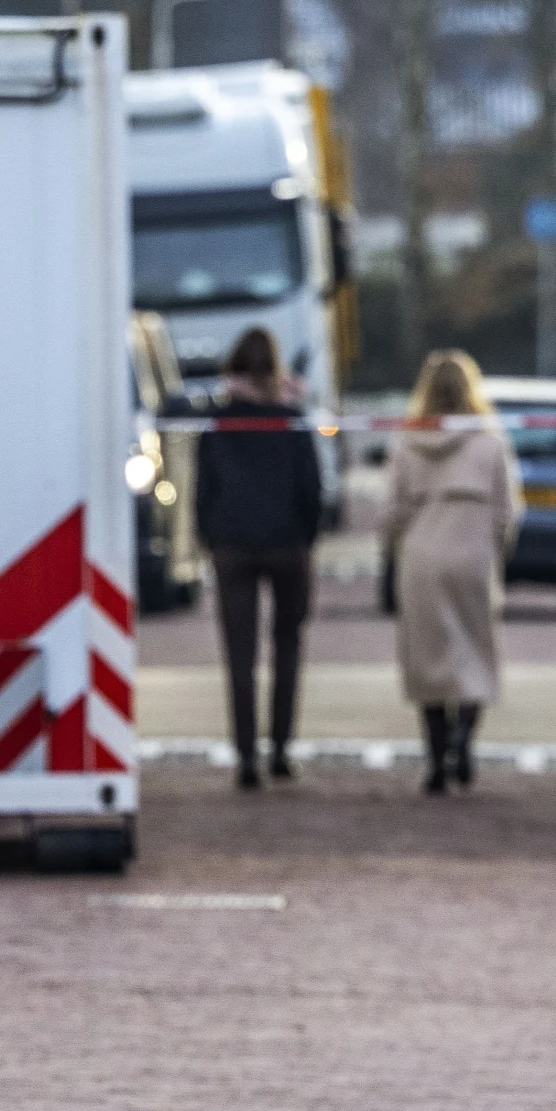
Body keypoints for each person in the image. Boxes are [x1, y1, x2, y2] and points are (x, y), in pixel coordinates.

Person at [382, 348, 520, 794]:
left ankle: (435, 761)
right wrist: (495, 551)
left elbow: (392, 511)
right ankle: (465, 736)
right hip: (472, 551)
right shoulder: (490, 440)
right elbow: (507, 511)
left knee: (427, 660)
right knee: (474, 652)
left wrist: (393, 550)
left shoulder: (407, 441)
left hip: (422, 554)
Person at [193, 326, 325, 789]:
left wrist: (210, 537)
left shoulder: (217, 423)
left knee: (240, 654)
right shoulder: (291, 420)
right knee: (287, 646)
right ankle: (282, 750)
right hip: (287, 545)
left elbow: (203, 490)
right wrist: (305, 539)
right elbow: (312, 489)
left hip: (232, 546)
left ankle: (246, 756)